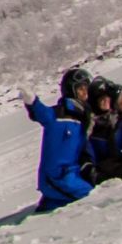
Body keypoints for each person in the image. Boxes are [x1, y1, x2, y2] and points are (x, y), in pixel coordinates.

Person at [25, 67, 96, 211]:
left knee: (51, 210)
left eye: (86, 89)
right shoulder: (60, 114)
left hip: (71, 175)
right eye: (81, 89)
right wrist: (32, 102)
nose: (85, 93)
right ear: (71, 90)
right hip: (58, 177)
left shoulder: (84, 117)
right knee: (93, 196)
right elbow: (43, 114)